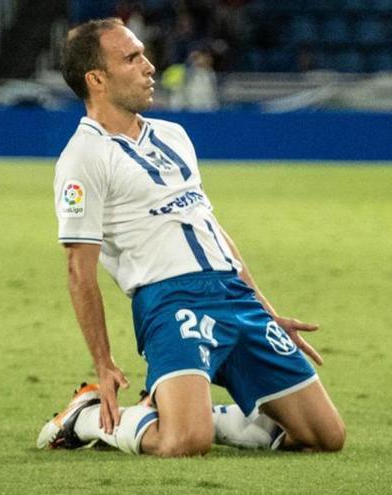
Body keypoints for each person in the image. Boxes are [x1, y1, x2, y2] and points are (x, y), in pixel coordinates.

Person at [37, 18, 345, 457]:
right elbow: (78, 269)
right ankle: (84, 417)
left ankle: (210, 415)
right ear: (97, 79)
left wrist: (266, 310)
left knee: (325, 436)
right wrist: (103, 364)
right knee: (185, 441)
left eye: (143, 54)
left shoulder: (173, 135)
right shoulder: (82, 157)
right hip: (170, 298)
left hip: (233, 295)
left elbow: (210, 227)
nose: (149, 66)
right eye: (132, 58)